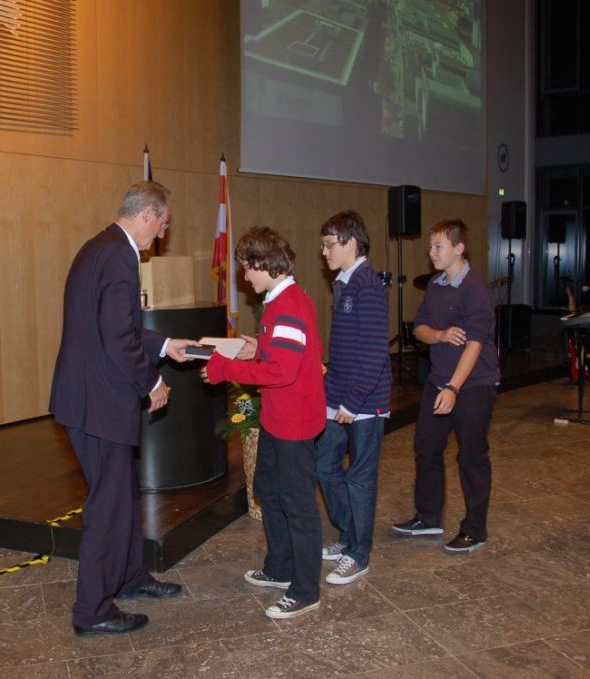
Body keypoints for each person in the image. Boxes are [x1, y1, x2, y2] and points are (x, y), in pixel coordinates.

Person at [50, 181, 197, 636]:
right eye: (164, 222)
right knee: (107, 508)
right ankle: (92, 609)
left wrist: (168, 344)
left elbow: (115, 326)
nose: (163, 231)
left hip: (89, 396)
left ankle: (129, 576)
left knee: (120, 494)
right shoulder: (119, 254)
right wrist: (151, 381)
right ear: (149, 214)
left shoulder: (99, 246)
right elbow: (117, 338)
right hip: (99, 401)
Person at [203, 226, 326, 620]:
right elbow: (280, 353)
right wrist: (255, 346)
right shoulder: (278, 302)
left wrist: (227, 367)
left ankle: (305, 589)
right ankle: (280, 567)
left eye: (246, 269)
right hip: (277, 419)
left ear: (262, 264)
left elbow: (284, 371)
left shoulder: (289, 305)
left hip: (294, 423)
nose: (244, 277)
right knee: (269, 493)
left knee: (298, 505)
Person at [390, 218, 499, 554]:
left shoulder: (475, 289)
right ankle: (428, 517)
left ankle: (475, 529)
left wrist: (453, 388)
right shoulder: (436, 285)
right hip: (440, 381)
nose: (431, 252)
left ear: (458, 249)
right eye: (431, 246)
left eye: (438, 246)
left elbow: (475, 345)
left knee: (471, 456)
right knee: (426, 448)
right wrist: (439, 335)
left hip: (473, 385)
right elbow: (419, 328)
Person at [315, 211, 391, 586]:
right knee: (324, 463)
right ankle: (348, 534)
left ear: (350, 243)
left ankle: (359, 553)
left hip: (364, 403)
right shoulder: (346, 282)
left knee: (360, 477)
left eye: (330, 244)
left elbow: (375, 352)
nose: (325, 251)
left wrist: (352, 402)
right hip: (339, 398)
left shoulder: (368, 284)